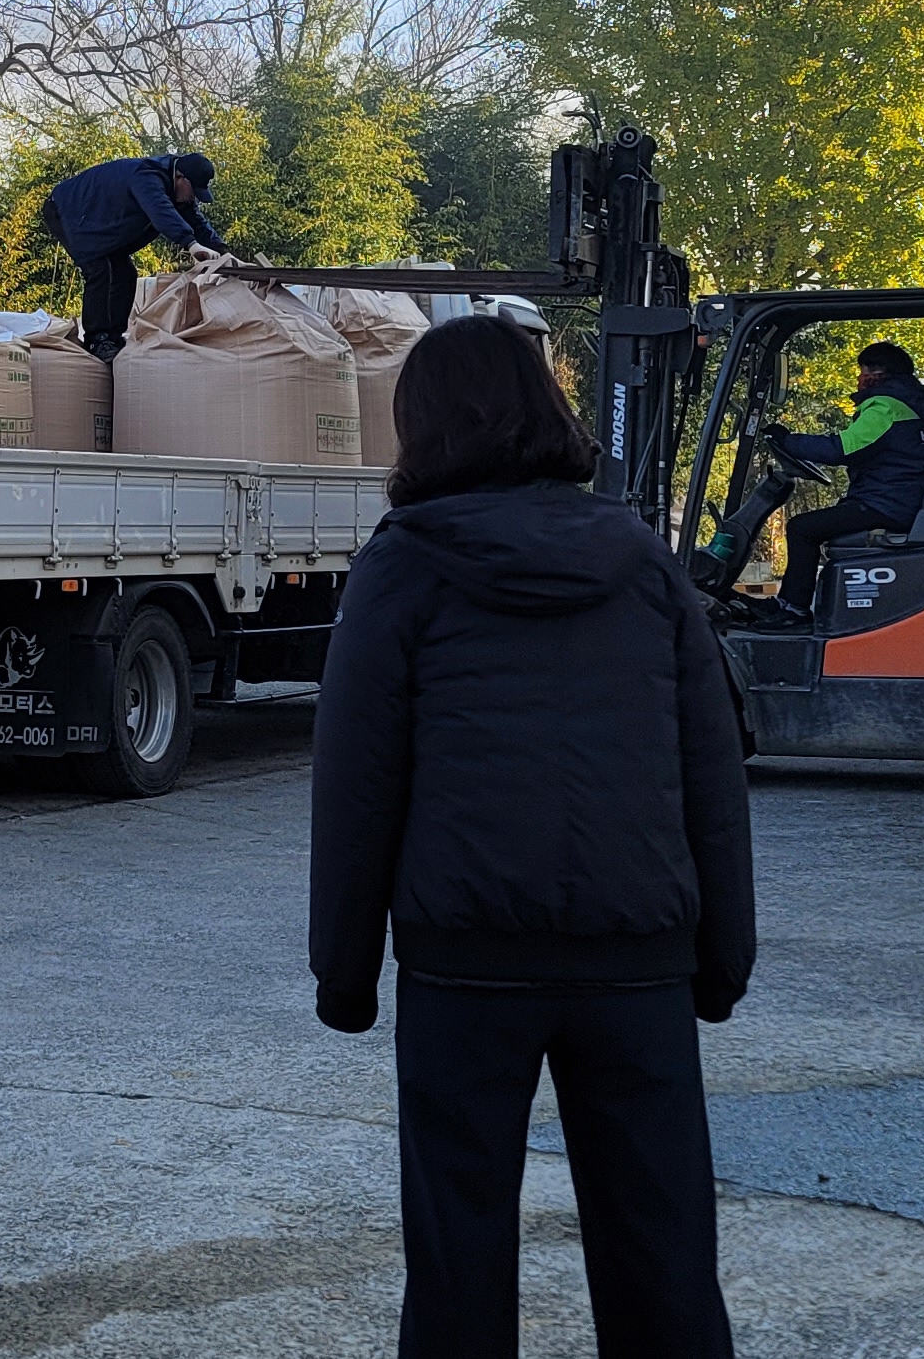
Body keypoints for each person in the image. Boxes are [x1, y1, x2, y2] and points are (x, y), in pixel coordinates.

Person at [311, 317, 751, 1358]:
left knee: (458, 1256)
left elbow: (357, 780)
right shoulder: (644, 561)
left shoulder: (403, 565)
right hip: (635, 961)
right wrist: (720, 957)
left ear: (417, 426)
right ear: (547, 408)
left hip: (465, 968)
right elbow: (709, 772)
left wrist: (344, 969)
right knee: (665, 1252)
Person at [766, 342, 924, 612]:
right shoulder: (918, 408)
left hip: (887, 506)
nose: (861, 378)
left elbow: (842, 448)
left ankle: (792, 607)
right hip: (901, 500)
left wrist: (788, 441)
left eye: (865, 370)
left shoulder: (886, 407)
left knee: (802, 528)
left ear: (881, 372)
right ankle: (792, 603)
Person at [43, 152, 230, 359]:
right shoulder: (147, 177)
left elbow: (196, 221)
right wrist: (190, 244)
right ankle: (97, 340)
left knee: (125, 273)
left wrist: (224, 253)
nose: (193, 197)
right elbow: (160, 211)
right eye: (193, 191)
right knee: (99, 270)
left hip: (98, 222)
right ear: (179, 177)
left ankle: (114, 337)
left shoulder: (175, 188)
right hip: (67, 211)